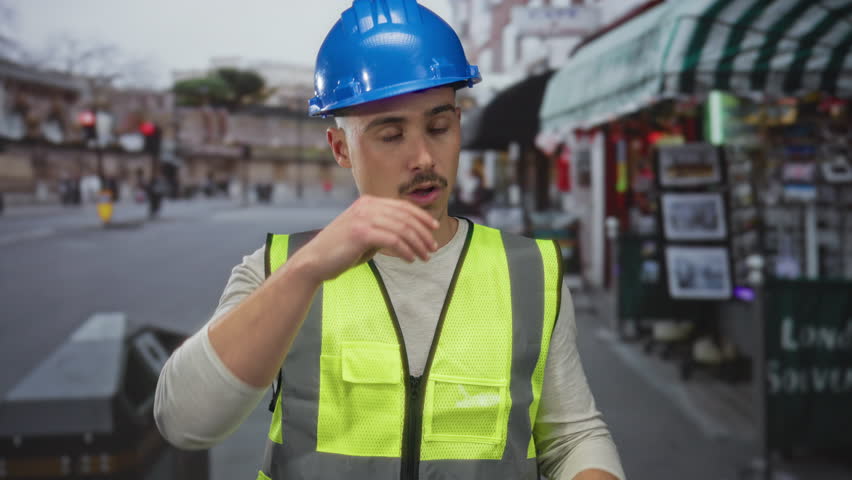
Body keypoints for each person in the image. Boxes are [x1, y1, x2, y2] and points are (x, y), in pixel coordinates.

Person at [154, 1, 625, 479]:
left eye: (438, 127)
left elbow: (572, 437)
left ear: (459, 125)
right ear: (341, 148)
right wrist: (305, 272)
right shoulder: (279, 269)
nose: (423, 156)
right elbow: (185, 422)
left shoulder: (530, 274)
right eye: (390, 135)